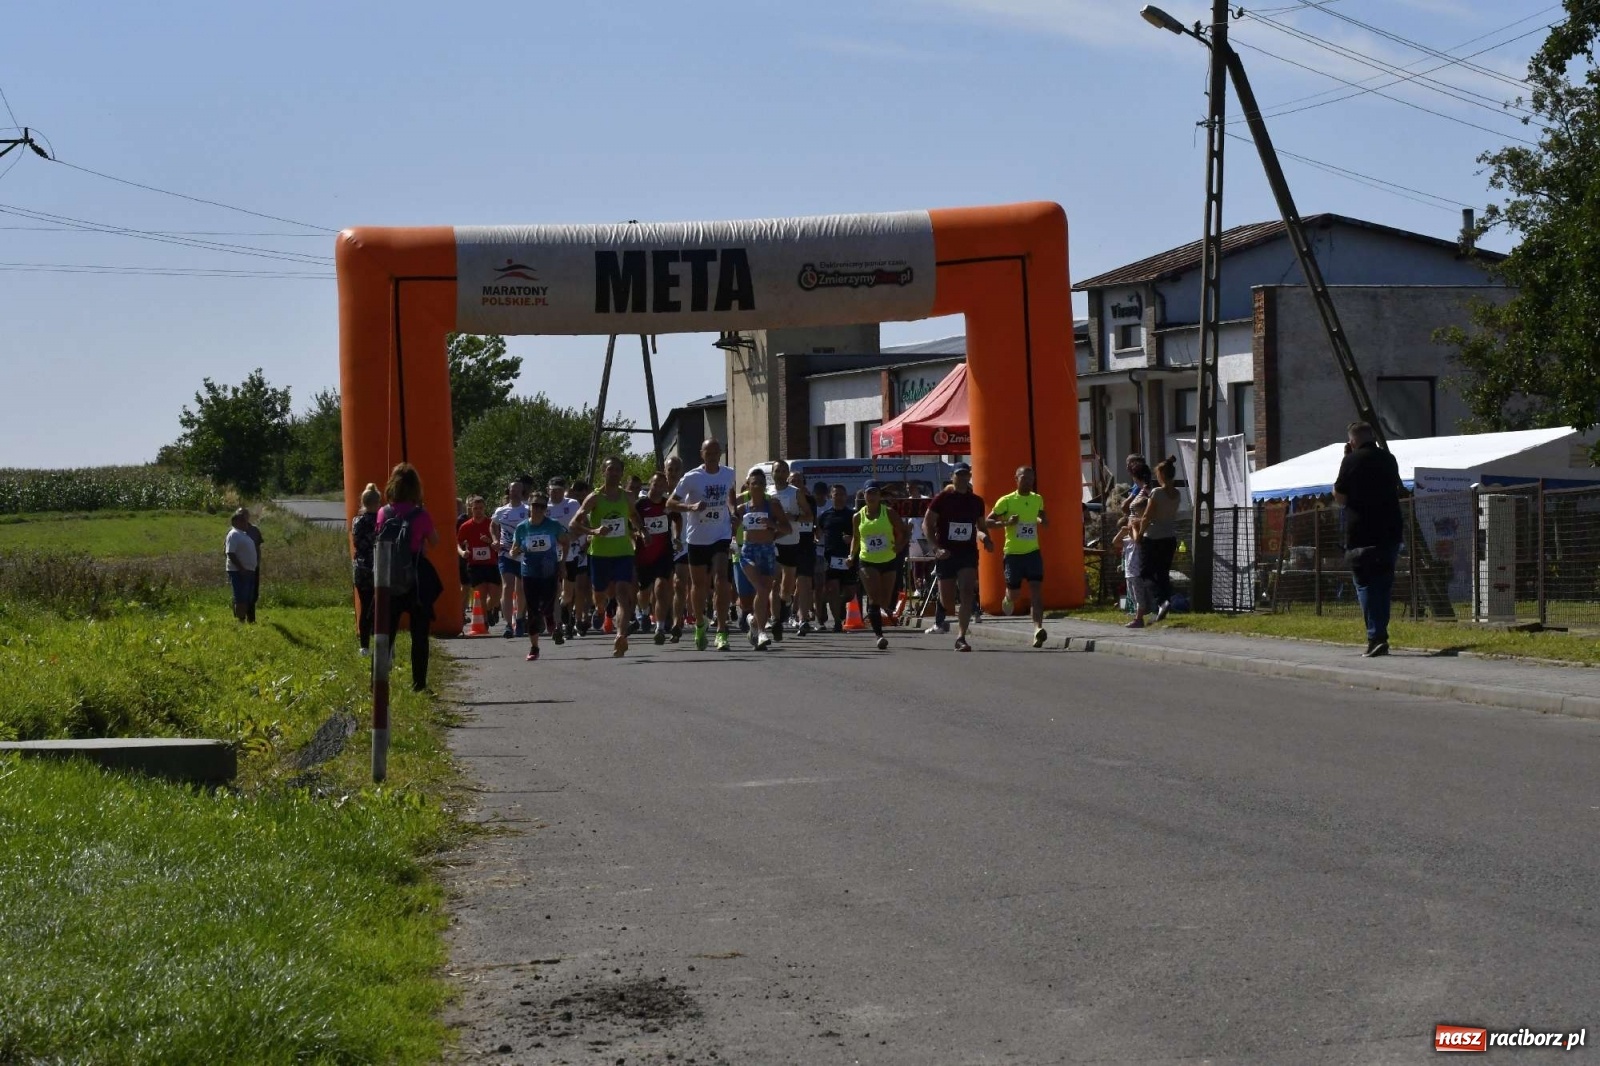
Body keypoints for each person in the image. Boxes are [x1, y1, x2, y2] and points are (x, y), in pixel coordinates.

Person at [1334, 421, 1404, 657]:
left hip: (1361, 532)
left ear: (1352, 441)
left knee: (1364, 585)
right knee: (1383, 585)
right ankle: (1380, 634)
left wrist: (1347, 458)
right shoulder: (1389, 459)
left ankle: (1376, 637)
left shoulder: (1351, 460)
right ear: (1372, 437)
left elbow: (1340, 497)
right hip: (1390, 530)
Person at [376, 462, 442, 692]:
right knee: (420, 635)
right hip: (415, 579)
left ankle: (378, 683)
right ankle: (419, 684)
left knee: (385, 634)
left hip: (388, 578)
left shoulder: (384, 512)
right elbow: (435, 541)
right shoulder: (421, 515)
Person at [667, 438, 738, 651]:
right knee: (698, 586)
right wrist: (691, 507)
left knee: (721, 579)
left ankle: (722, 630)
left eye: (716, 452)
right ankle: (699, 623)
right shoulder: (691, 477)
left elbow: (730, 496)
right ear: (702, 454)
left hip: (721, 535)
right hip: (697, 537)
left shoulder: (729, 473)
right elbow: (670, 503)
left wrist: (733, 511)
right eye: (708, 452)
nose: (712, 456)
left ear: (721, 453)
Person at [572, 457, 642, 657]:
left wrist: (643, 531)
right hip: (600, 554)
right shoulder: (594, 497)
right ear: (603, 472)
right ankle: (600, 610)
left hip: (623, 553)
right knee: (599, 595)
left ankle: (621, 635)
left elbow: (634, 516)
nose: (614, 473)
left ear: (622, 473)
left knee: (622, 594)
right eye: (610, 469)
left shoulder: (627, 496)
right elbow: (574, 524)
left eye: (618, 470)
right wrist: (593, 531)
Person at [923, 462, 993, 652]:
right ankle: (944, 607)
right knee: (948, 602)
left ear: (969, 477)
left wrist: (986, 538)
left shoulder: (976, 501)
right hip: (946, 553)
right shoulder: (942, 498)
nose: (962, 478)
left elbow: (980, 526)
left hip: (967, 553)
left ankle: (961, 637)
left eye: (965, 474)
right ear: (952, 477)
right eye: (959, 475)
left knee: (967, 592)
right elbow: (927, 524)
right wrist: (936, 548)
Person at [988, 465, 1050, 648]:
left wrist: (1042, 520)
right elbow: (988, 521)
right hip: (1013, 554)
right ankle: (1008, 598)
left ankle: (1038, 629)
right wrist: (1007, 523)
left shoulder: (1037, 499)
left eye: (1031, 478)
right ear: (1016, 479)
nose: (1029, 482)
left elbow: (1040, 514)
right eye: (1025, 478)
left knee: (1036, 592)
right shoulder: (1006, 501)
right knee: (1015, 594)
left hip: (1032, 552)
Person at [733, 467, 793, 649]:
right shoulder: (742, 508)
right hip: (748, 551)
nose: (758, 486)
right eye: (754, 483)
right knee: (760, 588)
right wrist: (732, 539)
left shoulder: (773, 505)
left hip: (767, 551)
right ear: (748, 486)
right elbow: (730, 530)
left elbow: (787, 529)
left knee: (764, 591)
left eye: (761, 483)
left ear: (765, 486)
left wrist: (772, 526)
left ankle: (754, 622)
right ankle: (761, 632)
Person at [511, 492, 570, 661]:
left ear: (546, 509)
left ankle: (550, 618)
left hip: (549, 571)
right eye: (535, 505)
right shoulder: (522, 527)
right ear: (529, 506)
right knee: (532, 610)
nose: (538, 509)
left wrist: (562, 563)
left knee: (547, 605)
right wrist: (516, 551)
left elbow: (566, 542)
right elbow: (513, 550)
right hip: (529, 573)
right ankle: (534, 647)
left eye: (542, 506)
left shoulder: (553, 525)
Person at [851, 481, 908, 651]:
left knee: (885, 600)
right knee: (874, 598)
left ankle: (879, 615)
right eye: (869, 493)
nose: (872, 496)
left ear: (879, 496)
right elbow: (856, 537)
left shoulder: (888, 512)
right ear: (864, 495)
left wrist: (899, 545)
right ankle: (879, 635)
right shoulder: (858, 516)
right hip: (867, 560)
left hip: (889, 559)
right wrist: (851, 555)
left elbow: (904, 532)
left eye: (875, 493)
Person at [769, 460, 816, 639]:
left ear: (787, 474)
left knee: (787, 586)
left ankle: (786, 603)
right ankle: (775, 621)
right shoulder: (767, 492)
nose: (780, 474)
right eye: (777, 470)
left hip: (791, 541)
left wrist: (794, 517)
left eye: (783, 471)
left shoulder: (795, 493)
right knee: (774, 582)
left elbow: (809, 516)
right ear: (772, 473)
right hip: (773, 541)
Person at [1136, 456, 1182, 625]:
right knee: (1163, 572)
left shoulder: (1157, 492)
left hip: (1153, 537)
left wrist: (1140, 533)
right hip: (1169, 537)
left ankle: (1161, 601)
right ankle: (1165, 601)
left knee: (1146, 572)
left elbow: (1147, 516)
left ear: (1161, 475)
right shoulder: (1177, 494)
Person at [634, 471, 676, 645]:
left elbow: (678, 520)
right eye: (655, 484)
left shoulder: (668, 504)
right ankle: (644, 611)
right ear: (650, 484)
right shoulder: (640, 505)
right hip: (644, 555)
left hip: (663, 553)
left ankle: (659, 627)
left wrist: (677, 536)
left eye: (661, 485)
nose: (658, 487)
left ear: (665, 487)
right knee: (644, 592)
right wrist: (640, 534)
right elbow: (631, 526)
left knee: (661, 587)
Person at [815, 484, 855, 632]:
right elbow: (817, 531)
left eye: (842, 494)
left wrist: (851, 539)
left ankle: (835, 603)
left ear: (846, 496)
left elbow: (860, 534)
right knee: (833, 589)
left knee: (850, 593)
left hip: (849, 557)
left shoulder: (853, 515)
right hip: (831, 557)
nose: (839, 497)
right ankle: (838, 622)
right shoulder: (825, 516)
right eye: (836, 494)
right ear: (830, 497)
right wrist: (816, 538)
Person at [491, 481, 528, 639]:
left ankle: (519, 618)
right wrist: (495, 540)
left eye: (518, 490)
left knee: (521, 589)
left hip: (523, 553)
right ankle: (507, 624)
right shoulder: (501, 510)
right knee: (507, 587)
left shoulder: (527, 509)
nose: (515, 493)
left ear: (522, 492)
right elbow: (493, 525)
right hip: (505, 553)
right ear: (509, 491)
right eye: (513, 490)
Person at [457, 496, 500, 625]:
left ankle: (489, 609)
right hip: (475, 565)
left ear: (484, 508)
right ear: (471, 509)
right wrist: (462, 553)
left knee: (496, 595)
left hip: (491, 563)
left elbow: (498, 542)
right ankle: (485, 622)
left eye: (481, 508)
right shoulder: (466, 526)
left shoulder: (491, 524)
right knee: (481, 595)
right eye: (475, 508)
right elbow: (457, 543)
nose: (478, 511)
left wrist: (490, 541)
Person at [351, 483, 381, 654]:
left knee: (364, 606)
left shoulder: (357, 521)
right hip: (378, 568)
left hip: (361, 568)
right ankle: (380, 642)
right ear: (378, 503)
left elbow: (356, 542)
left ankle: (364, 646)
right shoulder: (382, 521)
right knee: (379, 608)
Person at [664, 454, 691, 643]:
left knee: (679, 583)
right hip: (661, 545)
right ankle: (663, 614)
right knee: (664, 586)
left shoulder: (687, 493)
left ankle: (676, 622)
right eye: (670, 469)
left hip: (683, 544)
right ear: (665, 471)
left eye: (676, 470)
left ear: (681, 472)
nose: (673, 473)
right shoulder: (657, 493)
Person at [225, 508, 258, 624]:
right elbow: (230, 553)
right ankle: (240, 621)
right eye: (243, 521)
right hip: (239, 571)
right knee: (240, 597)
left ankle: (244, 619)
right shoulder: (233, 534)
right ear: (235, 522)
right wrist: (241, 568)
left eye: (246, 521)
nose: (246, 523)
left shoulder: (243, 535)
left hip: (249, 570)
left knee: (247, 596)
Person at [241, 508, 264, 623]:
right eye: (241, 515)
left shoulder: (254, 530)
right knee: (240, 593)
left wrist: (258, 562)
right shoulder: (233, 531)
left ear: (248, 516)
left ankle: (251, 619)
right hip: (239, 567)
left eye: (245, 515)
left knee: (253, 593)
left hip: (253, 566)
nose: (243, 518)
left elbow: (258, 548)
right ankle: (241, 618)